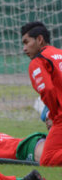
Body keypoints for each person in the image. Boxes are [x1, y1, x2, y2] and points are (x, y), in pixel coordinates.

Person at [21, 21, 62, 166]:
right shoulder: (59, 54)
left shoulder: (38, 61)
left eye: (26, 42)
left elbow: (47, 90)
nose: (24, 49)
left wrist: (54, 115)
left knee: (47, 159)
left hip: (60, 117)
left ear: (39, 40)